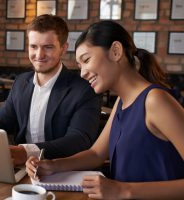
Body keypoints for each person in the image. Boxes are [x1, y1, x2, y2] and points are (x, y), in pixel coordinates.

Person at [26, 20, 184, 199]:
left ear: (116, 51)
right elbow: (96, 154)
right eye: (79, 66)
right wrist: (52, 165)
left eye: (86, 60)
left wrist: (122, 190)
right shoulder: (121, 103)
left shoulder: (155, 101)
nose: (83, 73)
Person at [0, 14, 101, 166]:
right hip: (22, 169)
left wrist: (26, 151)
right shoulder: (21, 82)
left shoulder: (84, 90)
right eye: (33, 46)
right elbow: (1, 120)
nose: (39, 55)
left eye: (48, 47)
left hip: (62, 171)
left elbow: (79, 140)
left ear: (63, 48)